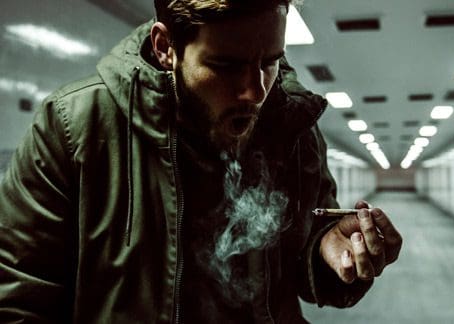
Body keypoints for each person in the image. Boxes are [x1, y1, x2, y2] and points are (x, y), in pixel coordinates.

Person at [0, 0, 402, 323]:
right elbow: (19, 293)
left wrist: (329, 250)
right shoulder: (73, 128)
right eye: (225, 66)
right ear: (165, 48)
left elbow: (301, 254)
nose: (255, 92)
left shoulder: (293, 126)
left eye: (269, 62)